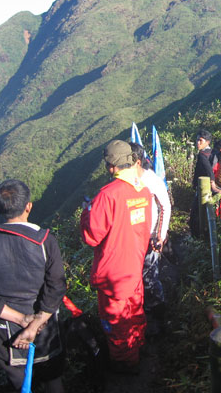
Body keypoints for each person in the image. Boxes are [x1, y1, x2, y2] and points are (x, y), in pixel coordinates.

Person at [0, 179, 66, 393]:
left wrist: (21, 320)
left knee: (21, 385)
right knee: (53, 380)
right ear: (28, 206)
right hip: (47, 327)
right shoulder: (45, 241)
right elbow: (56, 287)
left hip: (8, 334)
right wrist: (35, 324)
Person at [80, 140, 153, 374]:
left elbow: (91, 236)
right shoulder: (144, 191)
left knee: (117, 323)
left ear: (111, 166)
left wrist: (86, 211)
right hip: (134, 267)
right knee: (135, 312)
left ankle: (126, 365)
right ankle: (139, 348)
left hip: (113, 273)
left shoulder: (107, 195)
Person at [130, 142, 171, 336]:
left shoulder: (150, 179)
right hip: (132, 239)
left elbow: (165, 206)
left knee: (150, 277)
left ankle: (160, 316)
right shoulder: (128, 179)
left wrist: (160, 236)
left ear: (137, 161)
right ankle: (142, 315)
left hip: (150, 238)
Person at [189, 129, 221, 239]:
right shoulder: (212, 152)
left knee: (195, 214)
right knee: (205, 212)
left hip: (204, 187)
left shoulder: (202, 155)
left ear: (207, 142)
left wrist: (212, 184)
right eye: (197, 140)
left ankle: (196, 237)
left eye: (200, 140)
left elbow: (208, 170)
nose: (198, 142)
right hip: (209, 187)